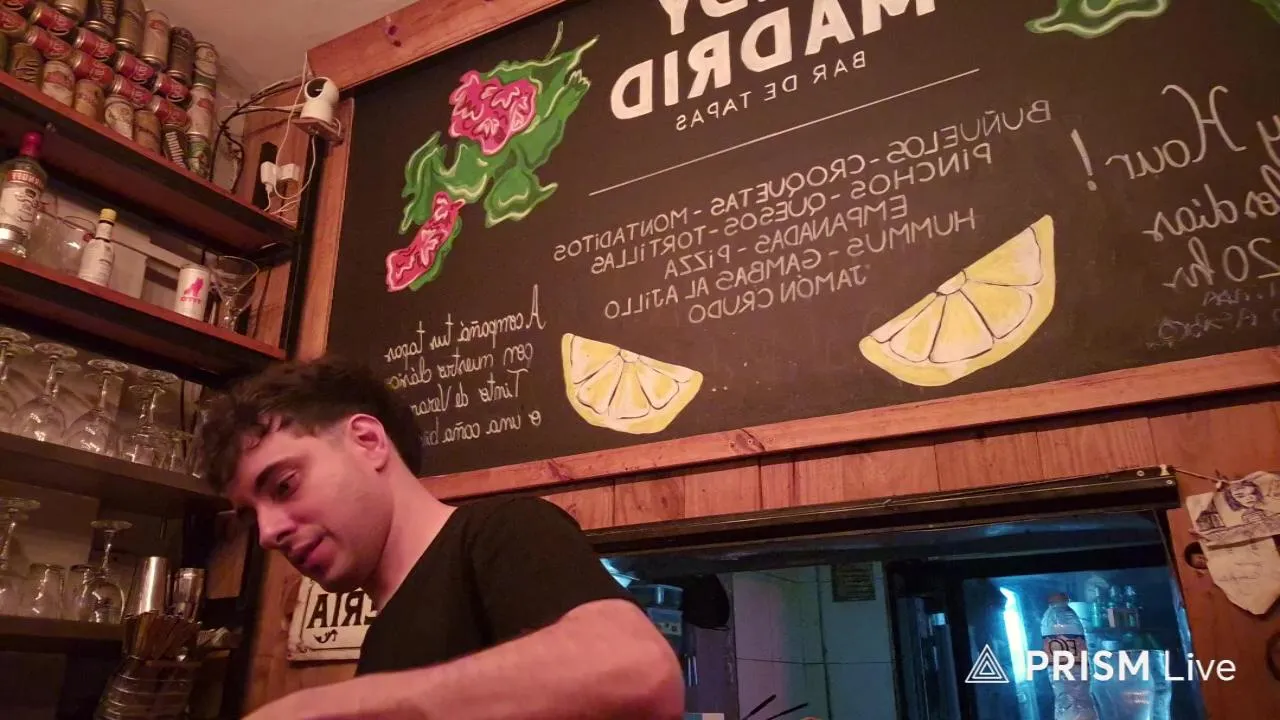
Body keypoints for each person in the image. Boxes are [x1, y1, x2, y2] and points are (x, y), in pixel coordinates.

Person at [198, 356, 684, 719]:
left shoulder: (501, 530)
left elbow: (637, 670)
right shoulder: (383, 639)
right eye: (252, 518)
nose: (268, 534)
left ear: (368, 441)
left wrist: (322, 709)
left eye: (284, 486)